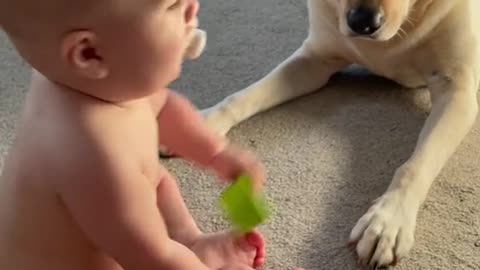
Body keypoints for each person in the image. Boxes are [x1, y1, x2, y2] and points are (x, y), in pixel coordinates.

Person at [0, 0, 281, 269]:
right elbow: (155, 261)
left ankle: (189, 241)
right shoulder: (92, 159)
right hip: (125, 259)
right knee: (144, 205)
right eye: (172, 4)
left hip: (127, 227)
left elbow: (163, 106)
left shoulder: (101, 83)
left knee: (157, 182)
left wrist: (216, 154)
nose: (193, 7)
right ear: (90, 54)